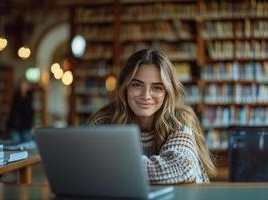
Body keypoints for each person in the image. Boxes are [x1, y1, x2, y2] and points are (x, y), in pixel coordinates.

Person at [88, 49, 217, 184]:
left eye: (157, 88)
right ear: (124, 87)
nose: (146, 96)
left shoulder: (180, 120)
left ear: (167, 92)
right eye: (137, 85)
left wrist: (108, 165)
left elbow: (182, 167)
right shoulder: (103, 122)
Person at [7, 78, 34, 144]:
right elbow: (12, 110)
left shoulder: (30, 96)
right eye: (22, 84)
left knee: (28, 145)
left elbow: (31, 111)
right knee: (15, 144)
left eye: (25, 84)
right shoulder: (16, 96)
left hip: (26, 125)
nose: (23, 86)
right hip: (16, 124)